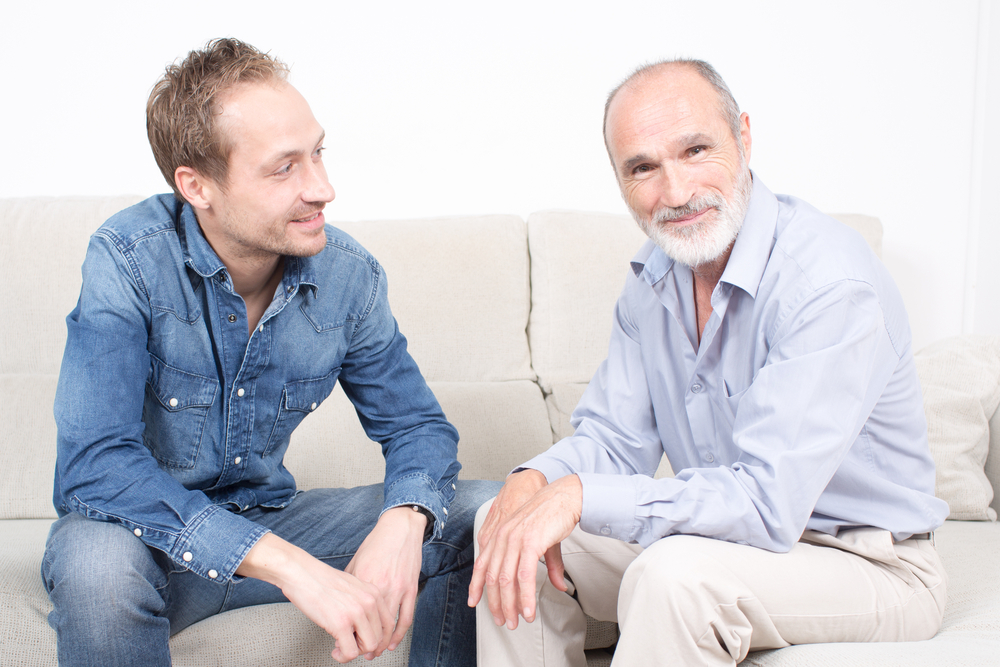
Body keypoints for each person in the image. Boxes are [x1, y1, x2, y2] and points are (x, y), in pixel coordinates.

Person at [468, 59, 950, 666]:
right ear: (619, 180)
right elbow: (615, 441)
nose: (675, 193)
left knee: (675, 577)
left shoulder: (827, 284)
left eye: (695, 150)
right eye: (643, 168)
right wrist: (534, 483)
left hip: (869, 563)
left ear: (744, 138)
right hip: (729, 541)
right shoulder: (652, 278)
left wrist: (579, 496)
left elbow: (765, 504)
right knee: (507, 529)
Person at [42, 38, 499, 667]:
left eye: (318, 154)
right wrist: (293, 569)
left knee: (484, 514)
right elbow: (96, 464)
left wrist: (404, 519)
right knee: (96, 563)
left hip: (271, 517)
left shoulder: (349, 277)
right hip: (140, 540)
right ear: (196, 185)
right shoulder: (128, 259)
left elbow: (418, 427)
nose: (323, 189)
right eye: (285, 168)